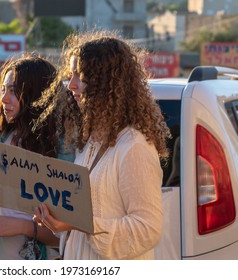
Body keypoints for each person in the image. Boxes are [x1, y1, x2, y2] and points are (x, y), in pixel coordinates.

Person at [33, 30, 172, 260]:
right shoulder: (90, 142)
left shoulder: (134, 146)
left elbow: (148, 229)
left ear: (106, 82)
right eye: (71, 75)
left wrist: (79, 223)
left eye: (81, 75)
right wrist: (55, 216)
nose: (71, 85)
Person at [0, 53, 76, 260]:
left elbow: (68, 236)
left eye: (14, 92)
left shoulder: (62, 149)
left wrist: (24, 227)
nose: (4, 98)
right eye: (4, 90)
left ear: (38, 95)